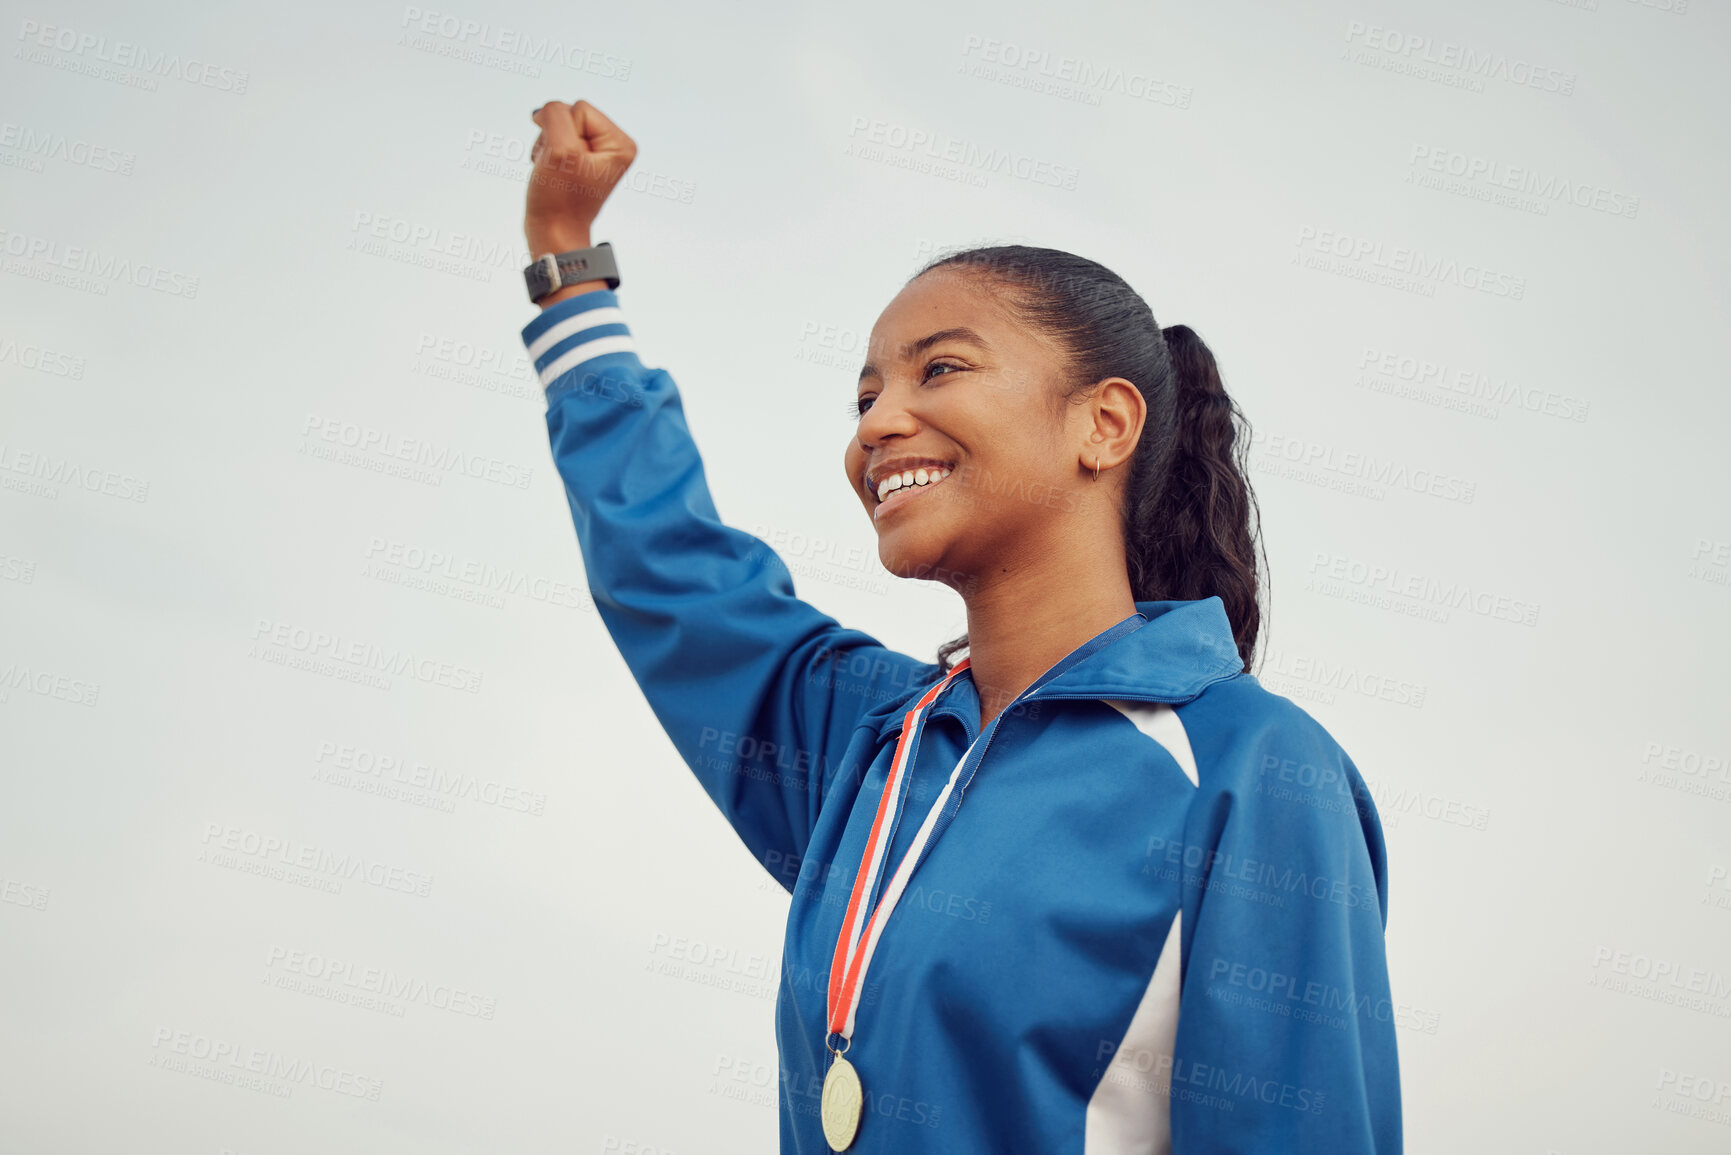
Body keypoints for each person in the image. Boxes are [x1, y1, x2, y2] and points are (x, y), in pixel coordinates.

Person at [519, 98, 1403, 1155]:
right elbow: (670, 571)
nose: (880, 422)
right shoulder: (871, 742)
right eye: (864, 396)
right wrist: (566, 265)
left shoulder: (1251, 768)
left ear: (1103, 423)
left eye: (939, 370)